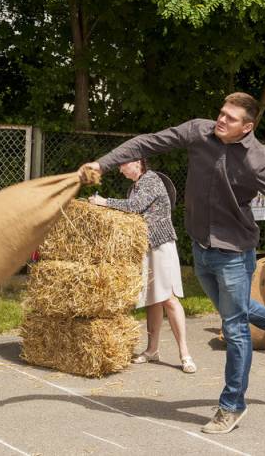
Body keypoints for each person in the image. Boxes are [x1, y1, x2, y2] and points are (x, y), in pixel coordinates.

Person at [79, 92, 265, 435]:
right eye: (221, 113)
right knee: (231, 311)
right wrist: (102, 164)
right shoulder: (199, 131)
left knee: (235, 328)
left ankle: (232, 405)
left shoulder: (256, 161)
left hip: (234, 252)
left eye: (230, 118)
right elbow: (148, 142)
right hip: (200, 246)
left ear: (247, 127)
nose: (221, 120)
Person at [89, 159, 197, 374]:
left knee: (168, 299)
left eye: (122, 164)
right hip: (146, 246)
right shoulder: (136, 186)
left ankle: (185, 355)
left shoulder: (150, 179)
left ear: (137, 162)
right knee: (152, 299)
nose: (120, 169)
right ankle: (152, 350)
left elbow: (134, 207)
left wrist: (103, 201)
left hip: (161, 245)